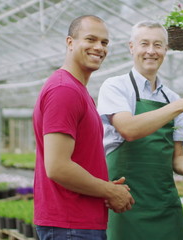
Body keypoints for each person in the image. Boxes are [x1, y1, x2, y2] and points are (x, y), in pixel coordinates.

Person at [97, 20, 183, 240]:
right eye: (144, 44)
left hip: (164, 205)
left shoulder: (173, 98)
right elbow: (128, 129)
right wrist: (180, 106)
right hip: (123, 203)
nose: (151, 51)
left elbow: (176, 157)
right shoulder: (116, 86)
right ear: (131, 47)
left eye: (158, 45)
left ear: (165, 50)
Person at [32, 15, 134, 240]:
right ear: (70, 42)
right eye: (91, 39)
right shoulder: (64, 91)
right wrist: (109, 191)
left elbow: (79, 158)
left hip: (78, 222)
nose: (99, 47)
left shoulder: (78, 91)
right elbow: (57, 166)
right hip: (70, 225)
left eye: (104, 42)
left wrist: (103, 186)